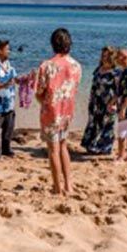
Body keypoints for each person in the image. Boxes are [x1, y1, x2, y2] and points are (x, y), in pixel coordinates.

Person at [35, 28, 82, 195]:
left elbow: (39, 91)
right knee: (63, 147)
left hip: (51, 111)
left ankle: (57, 187)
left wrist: (43, 102)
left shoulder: (47, 66)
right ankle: (68, 185)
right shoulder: (76, 65)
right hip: (67, 110)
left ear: (53, 44)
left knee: (53, 150)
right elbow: (74, 88)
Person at [80, 46, 120, 155]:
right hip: (95, 102)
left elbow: (119, 91)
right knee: (93, 123)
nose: (104, 58)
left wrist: (112, 103)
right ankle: (91, 146)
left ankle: (103, 148)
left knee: (106, 125)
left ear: (112, 57)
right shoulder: (99, 69)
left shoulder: (116, 73)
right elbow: (94, 85)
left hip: (108, 103)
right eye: (103, 55)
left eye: (107, 55)